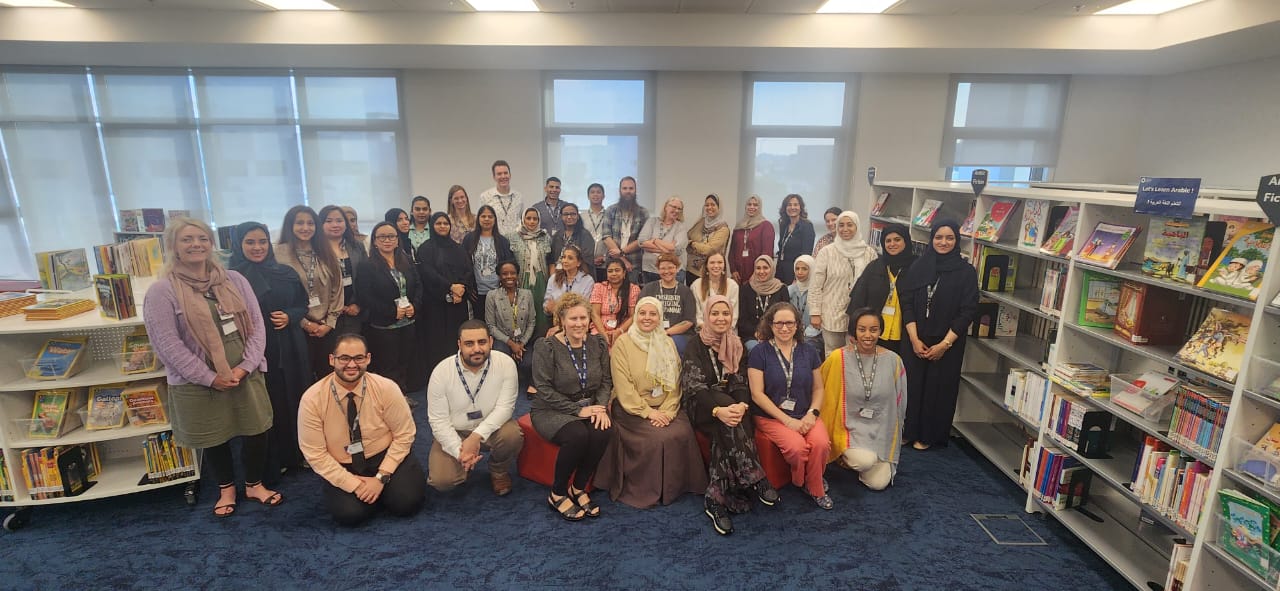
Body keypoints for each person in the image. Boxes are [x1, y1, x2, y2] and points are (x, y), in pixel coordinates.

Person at [144, 218, 279, 518]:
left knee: (257, 428)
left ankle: (254, 484)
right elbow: (167, 345)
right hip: (198, 381)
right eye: (187, 239)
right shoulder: (162, 291)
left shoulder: (234, 280)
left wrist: (246, 366)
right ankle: (226, 489)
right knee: (214, 435)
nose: (196, 244)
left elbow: (257, 326)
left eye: (202, 238)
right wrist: (209, 377)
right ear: (173, 246)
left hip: (245, 373)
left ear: (211, 243)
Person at [297, 335, 425, 526]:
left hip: (384, 456)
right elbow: (314, 453)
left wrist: (381, 478)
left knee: (406, 504)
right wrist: (354, 485)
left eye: (358, 358)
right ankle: (374, 495)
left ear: (368, 359)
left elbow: (405, 434)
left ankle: (383, 492)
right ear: (332, 360)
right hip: (344, 465)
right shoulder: (312, 399)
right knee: (350, 515)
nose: (351, 364)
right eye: (344, 358)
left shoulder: (386, 388)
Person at [681, 295, 780, 535]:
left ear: (731, 316)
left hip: (730, 405)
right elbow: (695, 387)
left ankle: (715, 500)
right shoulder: (695, 344)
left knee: (730, 424)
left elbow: (740, 381)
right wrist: (719, 410)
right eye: (714, 313)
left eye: (725, 313)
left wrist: (742, 405)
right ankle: (756, 477)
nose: (720, 318)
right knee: (728, 414)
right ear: (706, 316)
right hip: (701, 404)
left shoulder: (736, 343)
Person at [596, 296, 707, 508]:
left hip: (665, 405)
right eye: (642, 313)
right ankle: (646, 491)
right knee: (658, 438)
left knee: (682, 431)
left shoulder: (667, 342)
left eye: (653, 314)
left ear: (660, 317)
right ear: (636, 315)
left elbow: (676, 381)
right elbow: (623, 387)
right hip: (631, 408)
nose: (647, 318)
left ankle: (678, 487)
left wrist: (668, 410)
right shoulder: (623, 344)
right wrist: (649, 412)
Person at [229, 221, 310, 479]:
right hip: (257, 350)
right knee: (267, 404)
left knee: (296, 397)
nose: (258, 247)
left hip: (290, 345)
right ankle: (274, 461)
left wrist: (290, 315)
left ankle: (300, 454)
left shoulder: (284, 271)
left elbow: (302, 303)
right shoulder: (231, 278)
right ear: (238, 245)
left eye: (262, 241)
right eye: (250, 242)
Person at [530, 293, 614, 521]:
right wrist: (578, 411)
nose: (579, 324)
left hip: (590, 404)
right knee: (578, 435)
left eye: (583, 318)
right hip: (551, 408)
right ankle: (557, 493)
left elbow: (606, 381)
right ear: (561, 320)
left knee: (603, 430)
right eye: (573, 318)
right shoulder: (546, 346)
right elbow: (543, 389)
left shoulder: (597, 343)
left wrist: (600, 407)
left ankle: (578, 488)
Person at [900, 221, 978, 450]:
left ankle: (927, 436)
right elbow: (906, 302)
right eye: (938, 237)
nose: (943, 242)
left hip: (947, 342)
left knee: (938, 389)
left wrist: (944, 344)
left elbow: (968, 311)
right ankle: (908, 431)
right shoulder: (918, 266)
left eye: (949, 238)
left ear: (957, 241)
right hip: (915, 337)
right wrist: (914, 339)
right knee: (912, 386)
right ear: (931, 239)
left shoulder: (966, 272)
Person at [748, 301, 831, 509]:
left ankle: (815, 487)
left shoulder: (809, 351)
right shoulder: (759, 352)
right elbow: (757, 395)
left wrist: (812, 413)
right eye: (779, 323)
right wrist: (788, 421)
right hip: (771, 416)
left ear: (797, 325)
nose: (784, 328)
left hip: (805, 412)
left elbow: (818, 389)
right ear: (770, 325)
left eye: (789, 323)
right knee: (797, 449)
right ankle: (803, 481)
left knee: (821, 444)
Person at [425, 320, 524, 495]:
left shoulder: (505, 364)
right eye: (469, 344)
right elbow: (438, 421)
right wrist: (460, 452)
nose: (477, 349)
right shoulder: (441, 372)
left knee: (512, 435)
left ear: (491, 342)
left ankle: (498, 471)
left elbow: (505, 408)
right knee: (443, 482)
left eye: (482, 342)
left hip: (492, 428)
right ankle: (464, 464)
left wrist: (476, 437)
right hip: (455, 430)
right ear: (459, 345)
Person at [819, 308, 908, 491]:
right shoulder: (838, 358)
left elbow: (900, 404)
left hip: (881, 431)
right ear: (854, 330)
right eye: (862, 329)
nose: (868, 335)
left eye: (873, 330)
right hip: (849, 429)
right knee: (865, 461)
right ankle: (844, 456)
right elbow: (819, 389)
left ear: (880, 331)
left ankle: (866, 459)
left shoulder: (894, 361)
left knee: (878, 484)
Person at [275, 205, 344, 382]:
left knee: (330, 377)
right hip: (295, 328)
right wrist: (305, 323)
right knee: (303, 379)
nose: (305, 228)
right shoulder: (279, 255)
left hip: (327, 328)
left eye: (310, 223)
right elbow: (279, 297)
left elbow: (337, 288)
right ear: (290, 225)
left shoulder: (325, 251)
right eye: (300, 223)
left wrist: (329, 323)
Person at [357, 221, 421, 394]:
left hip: (407, 322)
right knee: (388, 366)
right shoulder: (367, 266)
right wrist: (392, 312)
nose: (387, 240)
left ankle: (402, 396)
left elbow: (418, 285)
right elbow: (365, 297)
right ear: (374, 241)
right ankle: (389, 399)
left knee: (404, 363)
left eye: (391, 236)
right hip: (384, 326)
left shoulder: (406, 260)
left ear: (397, 240)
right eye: (382, 237)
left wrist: (414, 306)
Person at [809, 211, 878, 357]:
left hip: (859, 314)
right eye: (841, 225)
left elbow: (874, 285)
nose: (845, 229)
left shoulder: (869, 253)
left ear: (857, 226)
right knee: (833, 355)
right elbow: (816, 285)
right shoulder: (827, 252)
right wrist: (815, 312)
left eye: (849, 225)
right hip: (831, 313)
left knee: (856, 355)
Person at [416, 211, 476, 368]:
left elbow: (468, 270)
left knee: (457, 339)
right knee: (437, 342)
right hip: (435, 304)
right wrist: (450, 287)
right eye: (438, 223)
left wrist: (461, 288)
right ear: (432, 226)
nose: (442, 226)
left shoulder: (458, 248)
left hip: (458, 303)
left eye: (445, 223)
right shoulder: (425, 249)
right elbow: (428, 273)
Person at [848, 223, 917, 352]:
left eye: (897, 240)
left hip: (906, 334)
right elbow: (858, 299)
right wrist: (853, 330)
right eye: (888, 241)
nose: (892, 244)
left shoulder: (916, 267)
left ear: (906, 241)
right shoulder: (874, 266)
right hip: (874, 333)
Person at [486, 261, 536, 393]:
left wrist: (521, 343)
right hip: (503, 340)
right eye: (505, 274)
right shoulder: (492, 296)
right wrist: (511, 344)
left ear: (517, 275)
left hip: (523, 340)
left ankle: (530, 384)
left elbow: (531, 322)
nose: (509, 276)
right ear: (499, 276)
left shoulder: (527, 294)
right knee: (502, 359)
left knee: (529, 363)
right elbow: (491, 326)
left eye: (512, 273)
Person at [319, 204, 368, 337]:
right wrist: (335, 308)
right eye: (329, 221)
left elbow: (366, 278)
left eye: (339, 221)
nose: (335, 225)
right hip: (326, 315)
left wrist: (359, 304)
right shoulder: (316, 250)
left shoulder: (357, 246)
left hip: (354, 311)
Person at [462, 204, 514, 322]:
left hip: (498, 291)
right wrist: (469, 287)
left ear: (495, 219)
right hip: (477, 292)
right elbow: (464, 265)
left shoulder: (503, 241)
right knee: (480, 324)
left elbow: (508, 266)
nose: (486, 219)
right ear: (478, 219)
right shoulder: (469, 239)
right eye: (483, 216)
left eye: (490, 216)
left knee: (498, 323)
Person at [637, 253, 697, 353]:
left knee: (671, 343)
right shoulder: (648, 289)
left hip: (678, 335)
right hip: (651, 331)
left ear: (677, 268)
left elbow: (688, 321)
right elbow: (639, 313)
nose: (666, 271)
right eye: (663, 268)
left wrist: (666, 332)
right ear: (658, 270)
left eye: (670, 268)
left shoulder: (686, 291)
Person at [510, 207, 551, 334]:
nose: (532, 221)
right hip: (522, 279)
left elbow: (550, 259)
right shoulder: (513, 237)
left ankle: (541, 336)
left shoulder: (545, 237)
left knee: (540, 309)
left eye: (535, 219)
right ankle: (523, 337)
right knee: (523, 310)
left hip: (541, 279)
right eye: (528, 218)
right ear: (523, 220)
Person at [602, 176, 649, 284]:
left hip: (634, 264)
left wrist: (622, 252)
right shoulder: (611, 210)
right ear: (620, 190)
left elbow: (642, 239)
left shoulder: (643, 212)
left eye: (631, 188)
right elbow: (606, 236)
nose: (628, 191)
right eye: (625, 188)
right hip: (612, 263)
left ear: (635, 190)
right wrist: (622, 258)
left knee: (632, 292)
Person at [738, 255, 790, 350]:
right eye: (758, 268)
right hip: (752, 335)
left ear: (772, 269)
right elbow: (742, 320)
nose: (761, 271)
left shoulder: (781, 289)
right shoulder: (746, 289)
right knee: (756, 349)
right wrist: (757, 333)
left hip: (777, 334)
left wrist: (770, 333)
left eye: (765, 268)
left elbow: (786, 316)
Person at [589, 257, 639, 347]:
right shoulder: (599, 287)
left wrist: (619, 331)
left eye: (617, 270)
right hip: (600, 328)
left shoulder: (633, 289)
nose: (614, 274)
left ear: (624, 273)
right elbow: (595, 314)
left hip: (623, 329)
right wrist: (603, 334)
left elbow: (633, 316)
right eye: (610, 271)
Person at [637, 196, 688, 284]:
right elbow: (641, 242)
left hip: (673, 272)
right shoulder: (652, 221)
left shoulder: (681, 227)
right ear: (665, 207)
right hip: (650, 270)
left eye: (679, 209)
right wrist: (667, 249)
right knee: (650, 293)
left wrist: (655, 240)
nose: (676, 210)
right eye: (674, 207)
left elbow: (676, 250)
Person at [685, 193, 731, 288]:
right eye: (707, 205)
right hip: (691, 270)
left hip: (710, 273)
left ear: (719, 207)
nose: (709, 207)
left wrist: (693, 244)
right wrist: (695, 245)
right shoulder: (700, 222)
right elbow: (687, 238)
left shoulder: (723, 229)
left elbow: (709, 250)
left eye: (713, 205)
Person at [729, 195, 775, 285]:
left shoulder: (766, 226)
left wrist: (757, 273)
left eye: (755, 205)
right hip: (738, 275)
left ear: (760, 207)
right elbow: (732, 251)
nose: (752, 207)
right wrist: (733, 270)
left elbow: (767, 253)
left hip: (758, 275)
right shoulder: (739, 227)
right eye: (749, 204)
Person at [544, 245, 595, 320]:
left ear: (578, 263)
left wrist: (558, 308)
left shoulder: (587, 280)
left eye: (570, 258)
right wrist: (548, 309)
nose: (565, 261)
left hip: (577, 321)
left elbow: (584, 306)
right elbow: (547, 305)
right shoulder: (553, 278)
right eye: (563, 257)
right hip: (556, 320)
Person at [549, 202, 598, 278]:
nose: (569, 217)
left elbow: (586, 262)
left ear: (578, 216)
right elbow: (552, 260)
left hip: (580, 278)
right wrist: (553, 279)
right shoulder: (557, 236)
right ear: (561, 217)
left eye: (573, 214)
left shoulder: (585, 235)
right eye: (566, 214)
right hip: (559, 277)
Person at [691, 251, 738, 328]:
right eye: (712, 262)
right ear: (706, 265)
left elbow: (734, 315)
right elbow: (697, 315)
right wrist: (709, 330)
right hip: (703, 330)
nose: (716, 266)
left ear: (724, 265)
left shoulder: (733, 285)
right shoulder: (696, 285)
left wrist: (721, 329)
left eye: (720, 262)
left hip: (726, 330)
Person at [775, 194, 815, 285]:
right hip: (781, 270)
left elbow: (806, 255)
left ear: (801, 208)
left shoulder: (807, 226)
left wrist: (797, 277)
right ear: (785, 208)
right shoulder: (784, 225)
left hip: (796, 272)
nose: (792, 207)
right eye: (789, 205)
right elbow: (782, 250)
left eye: (796, 205)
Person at [479, 159, 525, 236]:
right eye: (499, 174)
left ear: (510, 175)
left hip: (516, 241)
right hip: (494, 240)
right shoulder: (485, 197)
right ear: (494, 177)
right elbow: (481, 222)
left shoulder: (519, 197)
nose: (503, 176)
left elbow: (522, 221)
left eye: (505, 173)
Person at [789, 254, 824, 354]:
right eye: (797, 268)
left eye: (804, 269)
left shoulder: (819, 291)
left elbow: (820, 322)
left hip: (814, 335)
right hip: (791, 333)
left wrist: (804, 334)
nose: (799, 272)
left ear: (812, 269)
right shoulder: (789, 290)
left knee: (806, 348)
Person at [582, 183, 610, 281]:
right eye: (592, 192)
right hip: (586, 264)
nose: (595, 195)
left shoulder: (610, 216)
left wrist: (605, 257)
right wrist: (588, 259)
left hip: (605, 263)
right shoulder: (581, 216)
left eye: (598, 192)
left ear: (603, 196)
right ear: (588, 196)